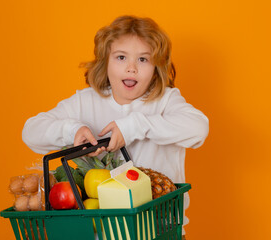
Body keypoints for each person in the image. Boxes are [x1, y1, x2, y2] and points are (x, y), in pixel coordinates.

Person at [22, 15, 209, 238]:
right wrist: (72, 131)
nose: (131, 69)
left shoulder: (165, 101)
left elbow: (199, 128)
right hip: (101, 232)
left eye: (143, 60)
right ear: (105, 61)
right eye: (121, 57)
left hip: (160, 230)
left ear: (157, 66)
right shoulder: (86, 102)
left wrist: (135, 126)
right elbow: (30, 132)